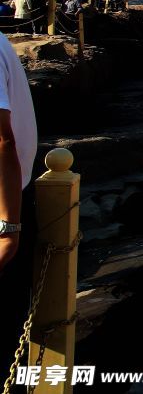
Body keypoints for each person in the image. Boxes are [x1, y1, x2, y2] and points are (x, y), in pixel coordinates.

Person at [0, 30, 39, 369]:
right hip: (17, 196)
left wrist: (8, 231)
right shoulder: (1, 42)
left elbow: (3, 141)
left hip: (5, 209)